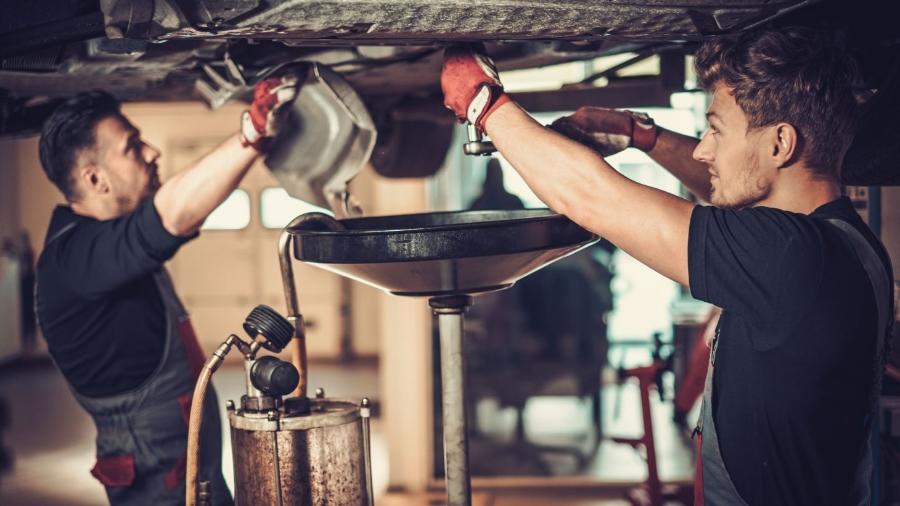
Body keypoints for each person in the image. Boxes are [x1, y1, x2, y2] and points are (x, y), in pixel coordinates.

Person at [440, 27, 894, 505]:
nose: (702, 149)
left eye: (716, 130)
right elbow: (736, 190)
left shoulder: (789, 259)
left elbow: (590, 197)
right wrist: (642, 136)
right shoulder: (844, 243)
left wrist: (483, 104)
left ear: (780, 143)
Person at [34, 76, 298, 505]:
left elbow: (171, 219)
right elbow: (170, 217)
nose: (152, 153)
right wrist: (250, 133)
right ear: (95, 178)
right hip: (154, 467)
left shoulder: (103, 245)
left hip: (185, 452)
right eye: (133, 146)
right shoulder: (74, 259)